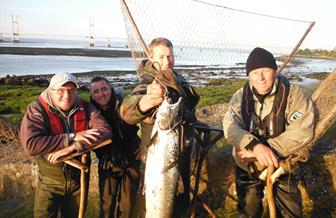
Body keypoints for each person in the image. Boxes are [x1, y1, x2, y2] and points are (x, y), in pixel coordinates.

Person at [223, 47, 315, 217]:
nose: (261, 78)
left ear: (275, 70)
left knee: (290, 212)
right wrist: (254, 146)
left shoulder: (294, 94)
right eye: (255, 72)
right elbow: (230, 125)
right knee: (247, 211)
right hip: (248, 166)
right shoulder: (239, 96)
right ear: (248, 75)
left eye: (266, 70)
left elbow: (303, 130)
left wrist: (267, 148)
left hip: (282, 165)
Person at [119, 37, 201, 217]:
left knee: (180, 205)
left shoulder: (177, 78)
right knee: (150, 205)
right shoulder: (148, 82)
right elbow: (127, 111)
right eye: (161, 57)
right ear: (151, 57)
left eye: (170, 56)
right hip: (156, 161)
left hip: (180, 157)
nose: (167, 61)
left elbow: (189, 108)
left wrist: (190, 118)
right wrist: (146, 102)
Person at [19, 72, 112, 218]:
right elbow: (31, 145)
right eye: (61, 90)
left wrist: (75, 147)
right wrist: (71, 137)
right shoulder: (37, 109)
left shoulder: (86, 108)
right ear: (51, 91)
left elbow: (105, 132)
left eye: (71, 90)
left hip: (78, 181)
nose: (67, 95)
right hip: (50, 182)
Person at [90, 76, 140, 218]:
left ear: (110, 89)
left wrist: (145, 145)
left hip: (132, 160)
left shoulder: (124, 104)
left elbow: (145, 120)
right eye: (96, 91)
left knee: (128, 207)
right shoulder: (90, 111)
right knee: (106, 207)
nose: (101, 94)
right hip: (108, 163)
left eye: (104, 89)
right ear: (92, 94)